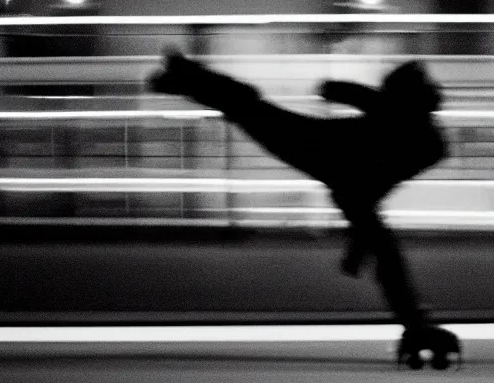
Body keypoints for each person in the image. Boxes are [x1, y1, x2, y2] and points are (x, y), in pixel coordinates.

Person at [148, 52, 459, 367]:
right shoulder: (429, 141)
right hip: (341, 168)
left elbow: (354, 101)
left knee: (252, 109)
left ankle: (187, 76)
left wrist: (337, 90)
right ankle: (413, 321)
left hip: (326, 152)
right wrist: (360, 235)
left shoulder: (410, 128)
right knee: (252, 110)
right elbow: (381, 171)